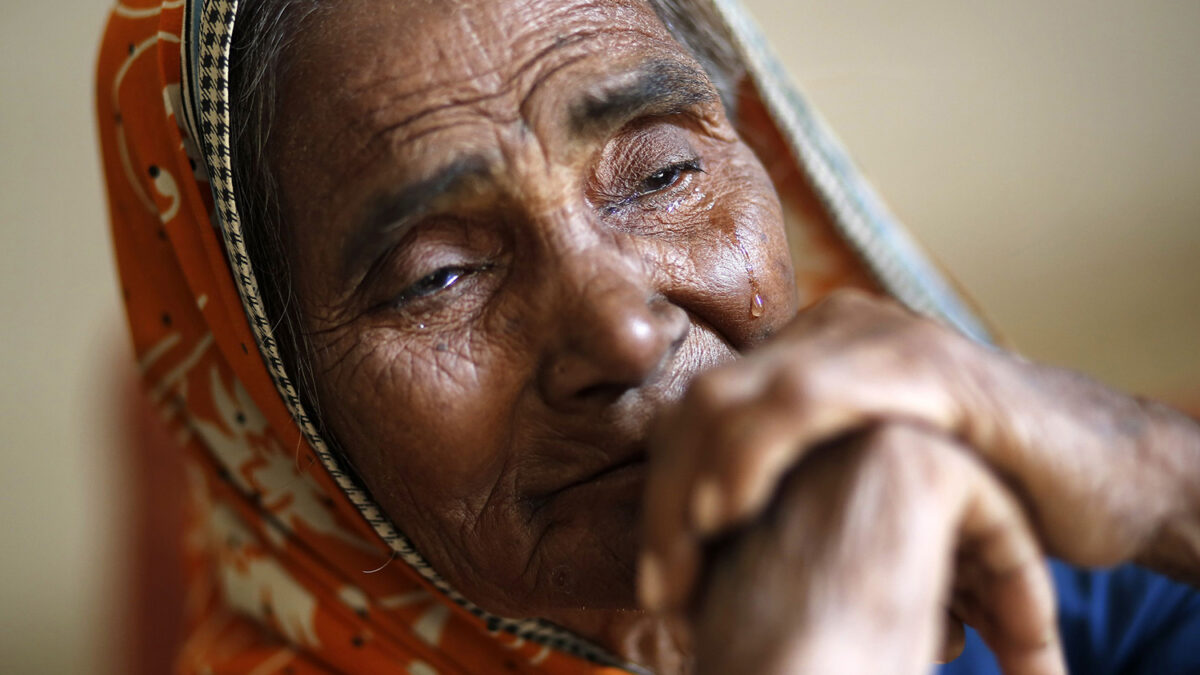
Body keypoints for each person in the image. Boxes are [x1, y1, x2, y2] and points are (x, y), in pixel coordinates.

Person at [96, 0, 1200, 673]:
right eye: (437, 275)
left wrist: (1150, 472)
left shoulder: (947, 555)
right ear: (280, 413)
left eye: (664, 172)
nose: (625, 332)